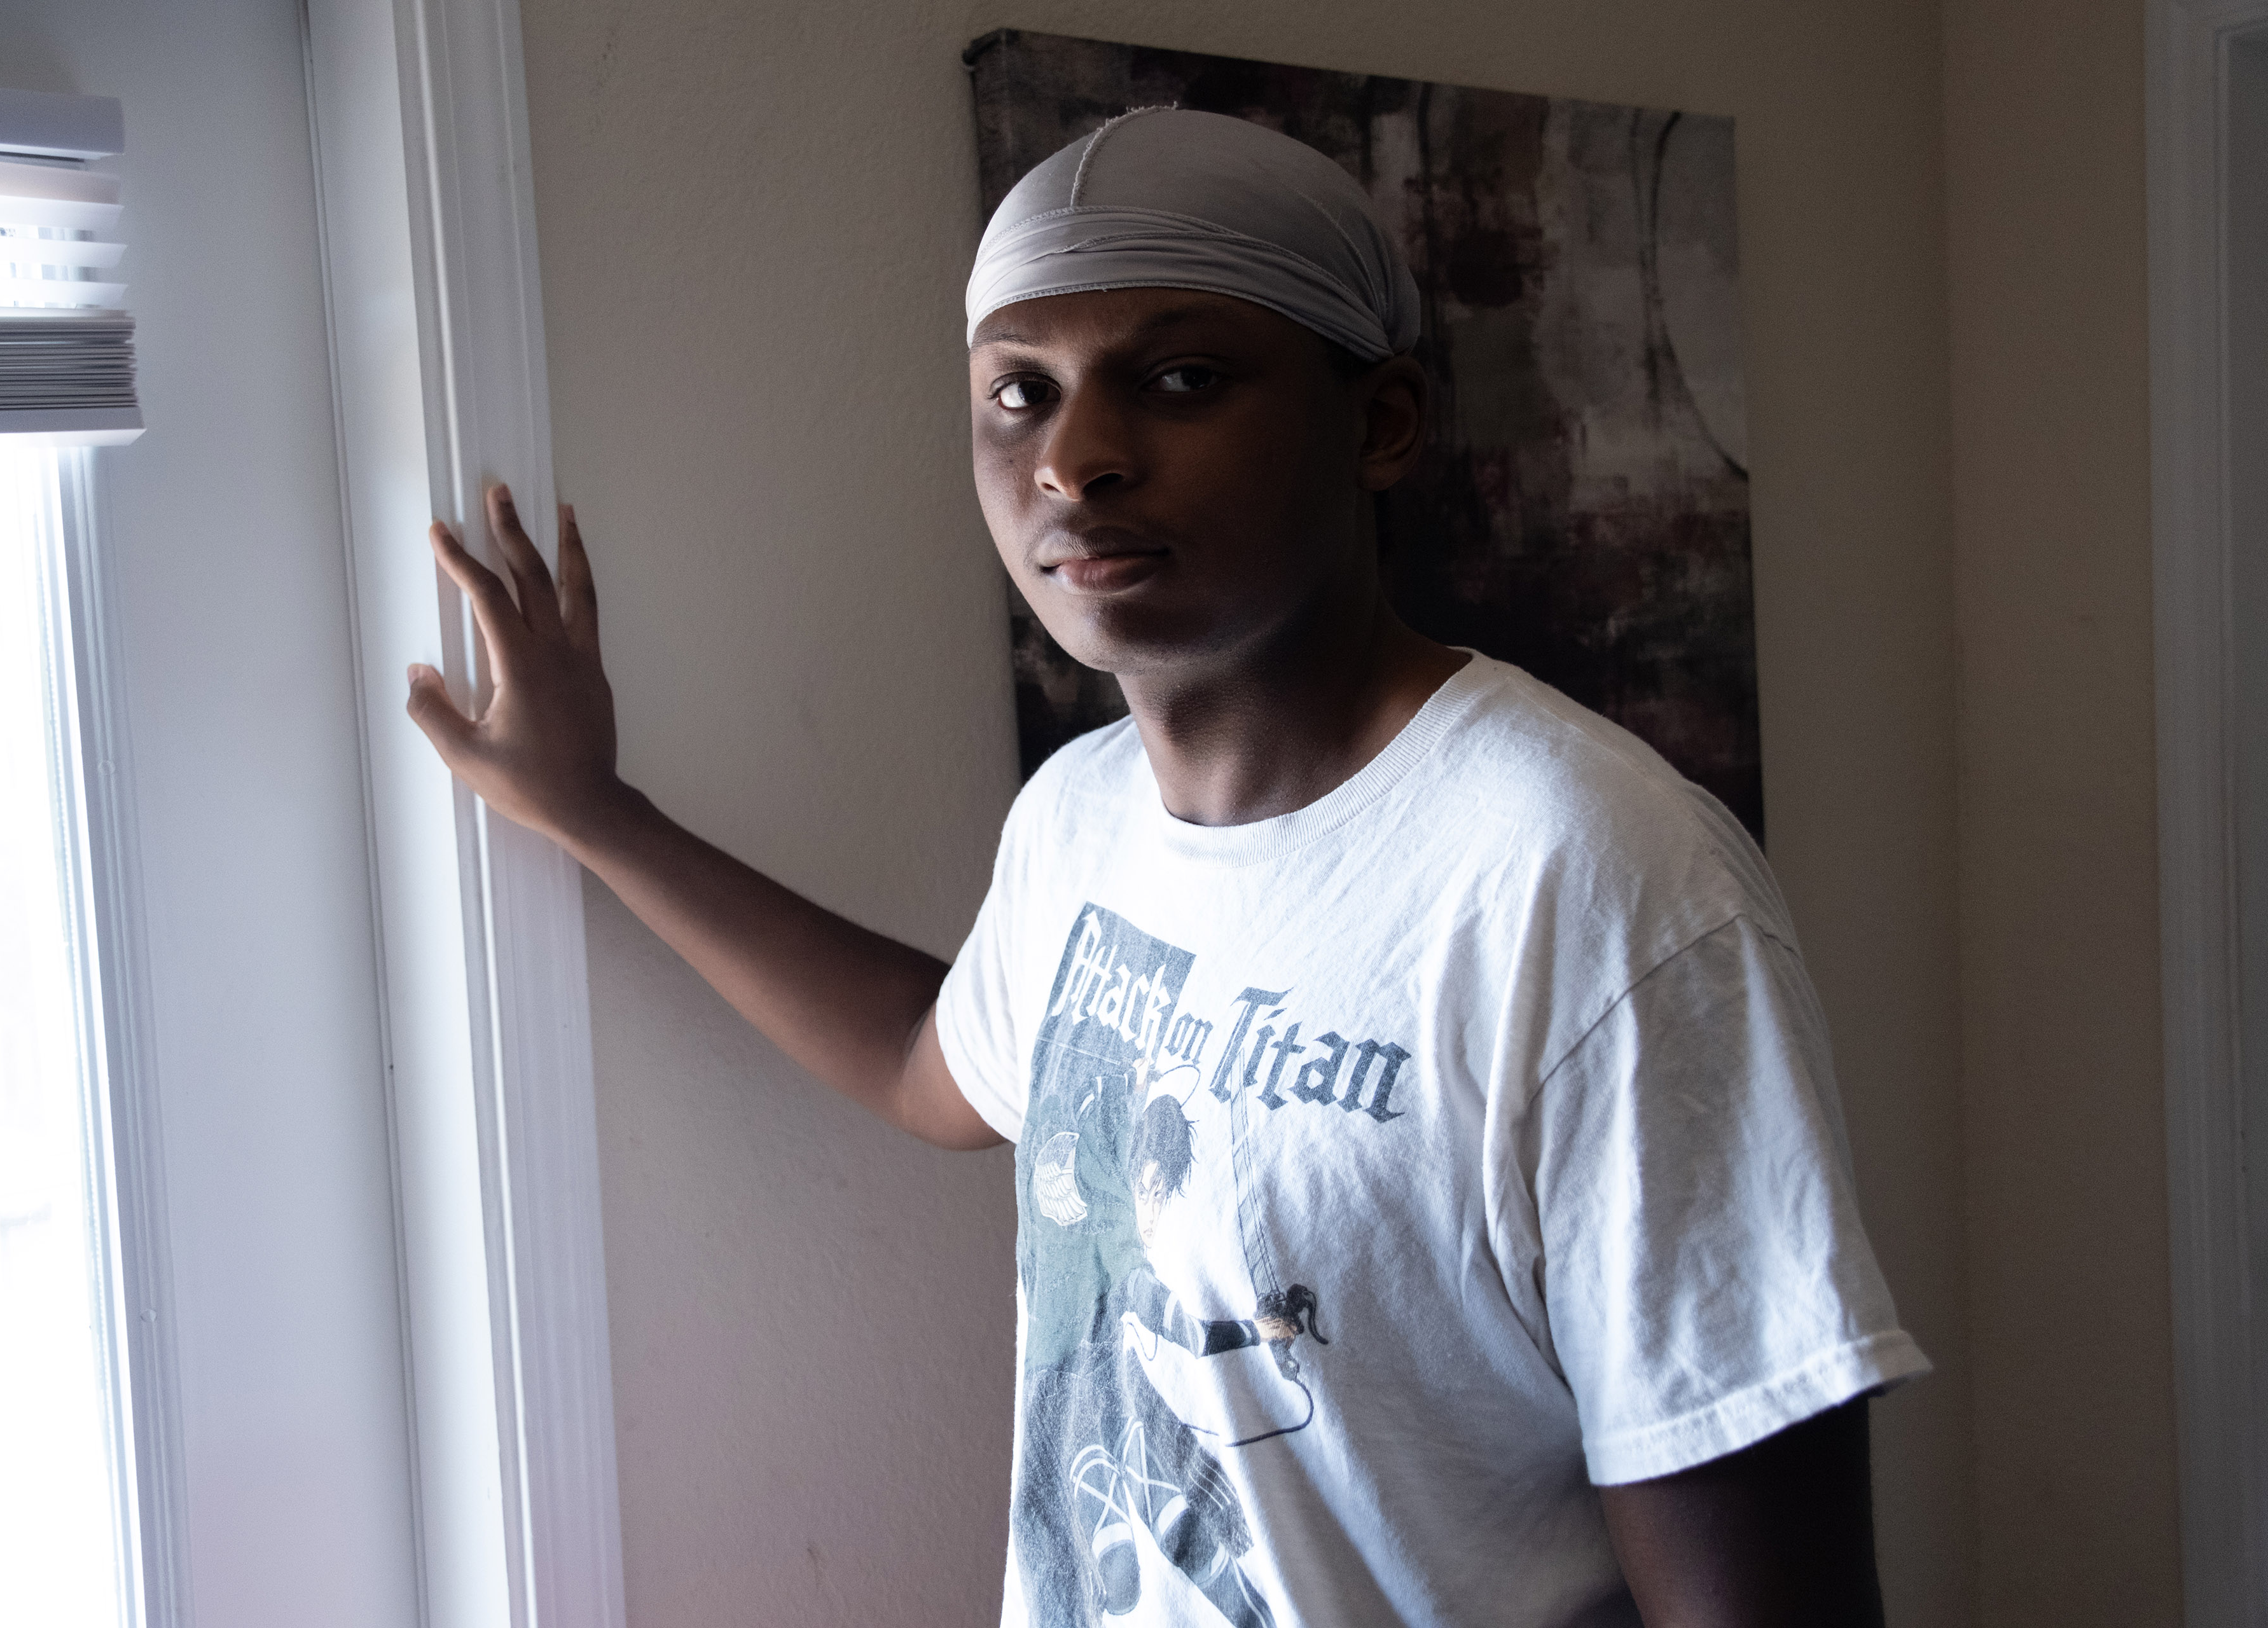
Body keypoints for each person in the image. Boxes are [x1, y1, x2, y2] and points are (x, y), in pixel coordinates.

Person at [405, 106, 1927, 1627]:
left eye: (1181, 380)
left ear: (1381, 422)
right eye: (1020, 393)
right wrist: (596, 811)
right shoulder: (1082, 816)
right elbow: (939, 1066)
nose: (1075, 459)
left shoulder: (1586, 876)